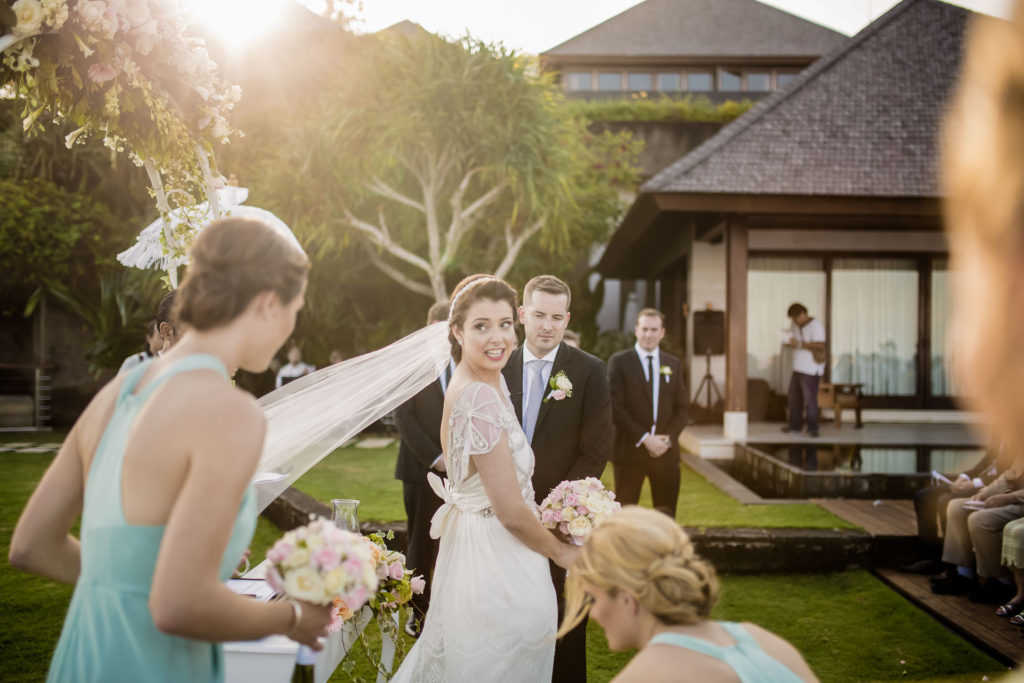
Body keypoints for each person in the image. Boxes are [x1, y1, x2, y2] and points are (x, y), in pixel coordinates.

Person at [8, 217, 332, 682]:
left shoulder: (120, 391)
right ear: (268, 303)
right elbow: (179, 605)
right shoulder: (230, 412)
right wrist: (294, 618)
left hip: (84, 658)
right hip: (155, 666)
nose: (290, 327)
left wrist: (126, 580)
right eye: (295, 309)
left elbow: (32, 546)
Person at [392, 275, 577, 682]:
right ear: (456, 331)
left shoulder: (482, 381)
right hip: (500, 563)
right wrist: (566, 554)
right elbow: (510, 511)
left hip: (480, 548)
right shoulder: (477, 396)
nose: (498, 338)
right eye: (481, 326)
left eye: (505, 324)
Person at [558, 506, 818, 683]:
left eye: (593, 598)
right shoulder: (761, 641)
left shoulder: (644, 677)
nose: (593, 614)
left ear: (627, 598)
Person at [502, 274, 613, 683]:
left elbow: (596, 448)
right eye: (538, 315)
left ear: (567, 319)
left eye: (556, 317)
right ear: (521, 315)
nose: (547, 325)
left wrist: (557, 507)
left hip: (561, 521)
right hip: (502, 514)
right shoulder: (499, 365)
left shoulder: (588, 371)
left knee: (564, 624)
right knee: (509, 619)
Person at [393, 301, 452, 638]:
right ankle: (416, 611)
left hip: (461, 473)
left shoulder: (464, 362)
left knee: (454, 542)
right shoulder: (411, 366)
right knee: (419, 543)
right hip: (420, 470)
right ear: (430, 327)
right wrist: (435, 457)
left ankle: (447, 611)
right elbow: (404, 418)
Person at [608, 308, 689, 518]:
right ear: (636, 330)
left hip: (665, 453)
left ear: (662, 333)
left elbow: (682, 408)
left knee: (666, 516)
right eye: (644, 329)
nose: (648, 334)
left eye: (654, 329)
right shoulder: (619, 362)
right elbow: (615, 407)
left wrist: (666, 440)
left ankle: (664, 552)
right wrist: (645, 439)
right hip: (630, 452)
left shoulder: (674, 364)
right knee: (625, 515)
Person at [905, 439, 1012, 574]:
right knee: (923, 496)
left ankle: (951, 564)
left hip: (996, 486)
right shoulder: (1001, 429)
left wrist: (975, 483)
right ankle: (930, 556)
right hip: (980, 482)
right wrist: (964, 477)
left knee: (945, 501)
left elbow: (1010, 473)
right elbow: (988, 460)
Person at [929, 463, 1024, 604]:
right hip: (1012, 497)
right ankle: (964, 574)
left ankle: (1000, 582)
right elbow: (1009, 476)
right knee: (956, 507)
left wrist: (1010, 497)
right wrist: (985, 493)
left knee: (980, 520)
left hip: (1019, 501)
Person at [782, 303, 826, 438]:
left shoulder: (816, 325)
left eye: (796, 318)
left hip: (811, 368)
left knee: (810, 399)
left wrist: (800, 344)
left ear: (803, 314)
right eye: (793, 319)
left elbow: (820, 344)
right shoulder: (794, 326)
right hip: (797, 367)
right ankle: (795, 426)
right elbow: (793, 342)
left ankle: (813, 428)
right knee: (794, 398)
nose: (795, 321)